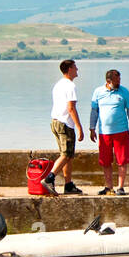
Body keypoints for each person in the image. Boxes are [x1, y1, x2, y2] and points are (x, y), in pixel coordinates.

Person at [89, 69, 129, 196]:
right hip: (104, 132)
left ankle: (120, 187)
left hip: (121, 131)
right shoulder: (98, 92)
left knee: (122, 160)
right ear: (108, 81)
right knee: (105, 161)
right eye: (116, 80)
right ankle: (108, 187)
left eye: (119, 79)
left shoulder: (124, 91)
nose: (119, 82)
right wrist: (91, 128)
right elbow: (94, 111)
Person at [45, 59, 86, 195]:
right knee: (66, 154)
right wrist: (79, 127)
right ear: (69, 69)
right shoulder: (70, 86)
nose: (77, 69)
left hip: (55, 121)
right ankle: (49, 178)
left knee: (68, 156)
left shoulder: (58, 85)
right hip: (65, 123)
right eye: (75, 67)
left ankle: (68, 185)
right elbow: (71, 108)